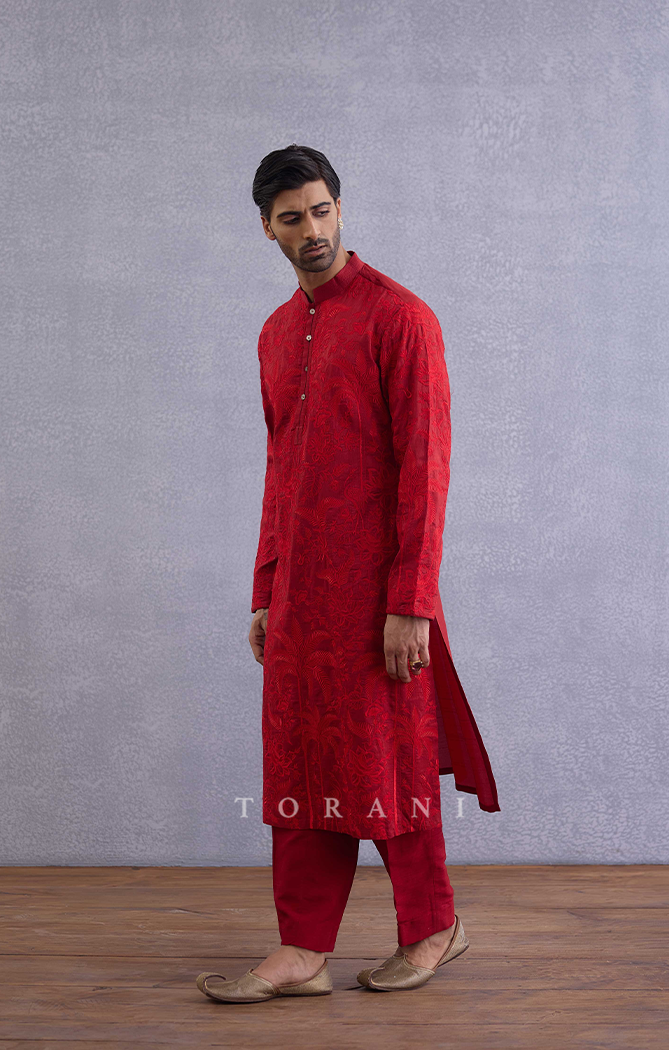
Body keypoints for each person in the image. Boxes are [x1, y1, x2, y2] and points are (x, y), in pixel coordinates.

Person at [196, 144, 499, 1005]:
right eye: (292, 218)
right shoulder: (273, 334)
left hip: (379, 597)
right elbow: (280, 472)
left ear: (340, 208)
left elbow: (427, 470)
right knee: (299, 763)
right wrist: (266, 589)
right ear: (268, 229)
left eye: (322, 210)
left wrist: (412, 602)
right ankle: (301, 949)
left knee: (390, 761)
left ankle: (433, 926)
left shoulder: (401, 319)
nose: (312, 230)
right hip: (301, 596)